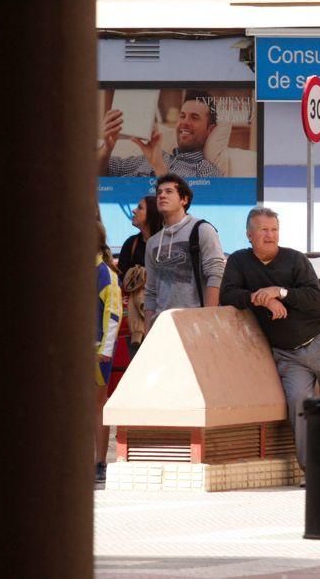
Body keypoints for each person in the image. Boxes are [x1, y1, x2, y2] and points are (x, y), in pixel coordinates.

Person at [220, 207, 320, 469]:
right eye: (263, 230)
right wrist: (263, 299)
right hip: (287, 354)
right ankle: (314, 471)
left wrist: (280, 292)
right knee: (299, 408)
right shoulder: (239, 261)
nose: (270, 236)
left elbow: (314, 298)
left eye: (274, 230)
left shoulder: (295, 259)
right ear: (249, 234)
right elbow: (228, 295)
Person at [144, 174, 226, 333]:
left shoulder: (202, 230)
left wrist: (209, 318)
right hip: (162, 327)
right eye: (159, 192)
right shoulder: (153, 243)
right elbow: (151, 291)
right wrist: (148, 331)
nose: (161, 195)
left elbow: (216, 274)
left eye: (169, 191)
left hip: (195, 325)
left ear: (184, 200)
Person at [98, 90, 223, 178]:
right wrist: (106, 149)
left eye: (194, 117)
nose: (185, 122)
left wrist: (158, 166)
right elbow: (95, 174)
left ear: (210, 129)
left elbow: (192, 209)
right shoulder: (150, 156)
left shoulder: (206, 171)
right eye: (182, 116)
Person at [94, 220, 122, 483]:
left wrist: (106, 349)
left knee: (97, 407)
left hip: (96, 352)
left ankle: (100, 462)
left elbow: (113, 315)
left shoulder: (105, 273)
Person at [117, 195, 162, 355]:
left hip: (161, 320)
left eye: (140, 207)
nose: (134, 211)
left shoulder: (165, 243)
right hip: (134, 320)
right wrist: (138, 276)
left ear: (152, 214)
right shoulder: (131, 243)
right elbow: (121, 278)